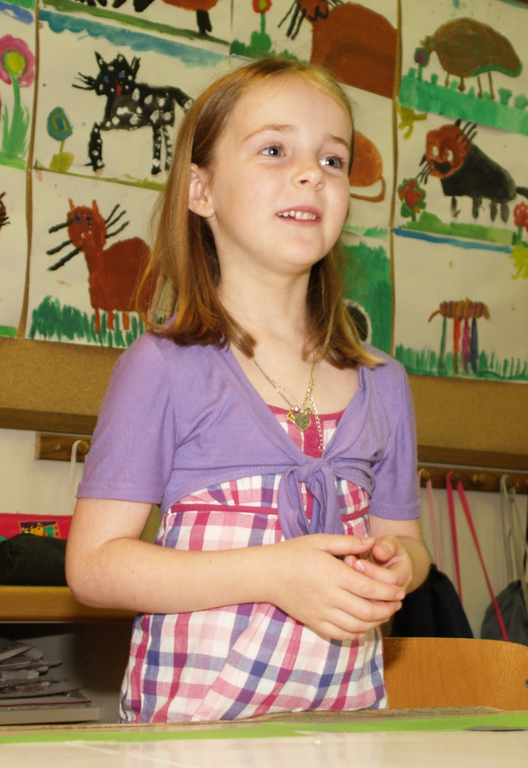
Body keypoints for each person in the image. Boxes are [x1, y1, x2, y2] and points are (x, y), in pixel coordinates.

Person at [66, 57, 430, 724]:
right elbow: (93, 567)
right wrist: (273, 573)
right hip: (192, 739)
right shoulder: (164, 367)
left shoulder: (384, 382)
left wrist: (398, 565)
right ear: (200, 190)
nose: (311, 174)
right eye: (274, 149)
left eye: (333, 160)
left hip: (344, 729)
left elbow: (407, 542)